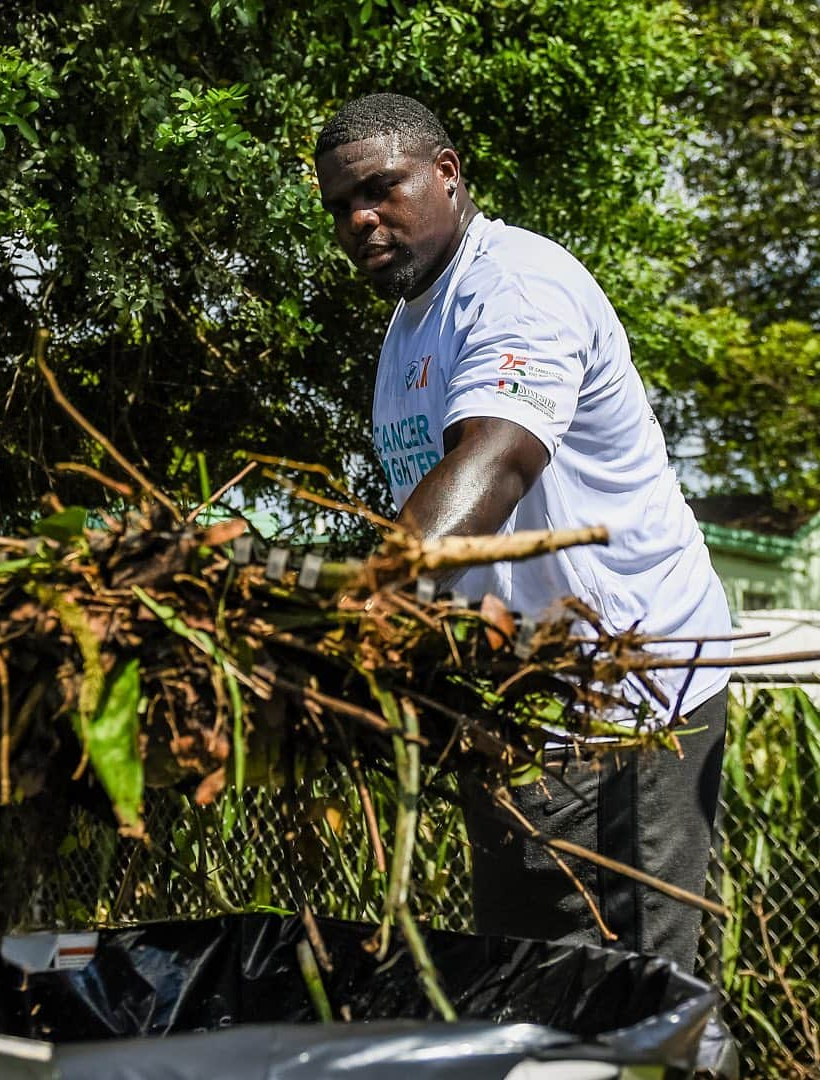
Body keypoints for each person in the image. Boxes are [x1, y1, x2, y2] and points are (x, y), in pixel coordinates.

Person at [314, 94, 733, 977]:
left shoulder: (517, 287)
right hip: (520, 712)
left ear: (448, 174)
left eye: (382, 188)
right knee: (528, 987)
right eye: (340, 205)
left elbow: (497, 462)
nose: (360, 218)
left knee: (626, 1001)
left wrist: (350, 611)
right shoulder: (408, 325)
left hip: (628, 700)